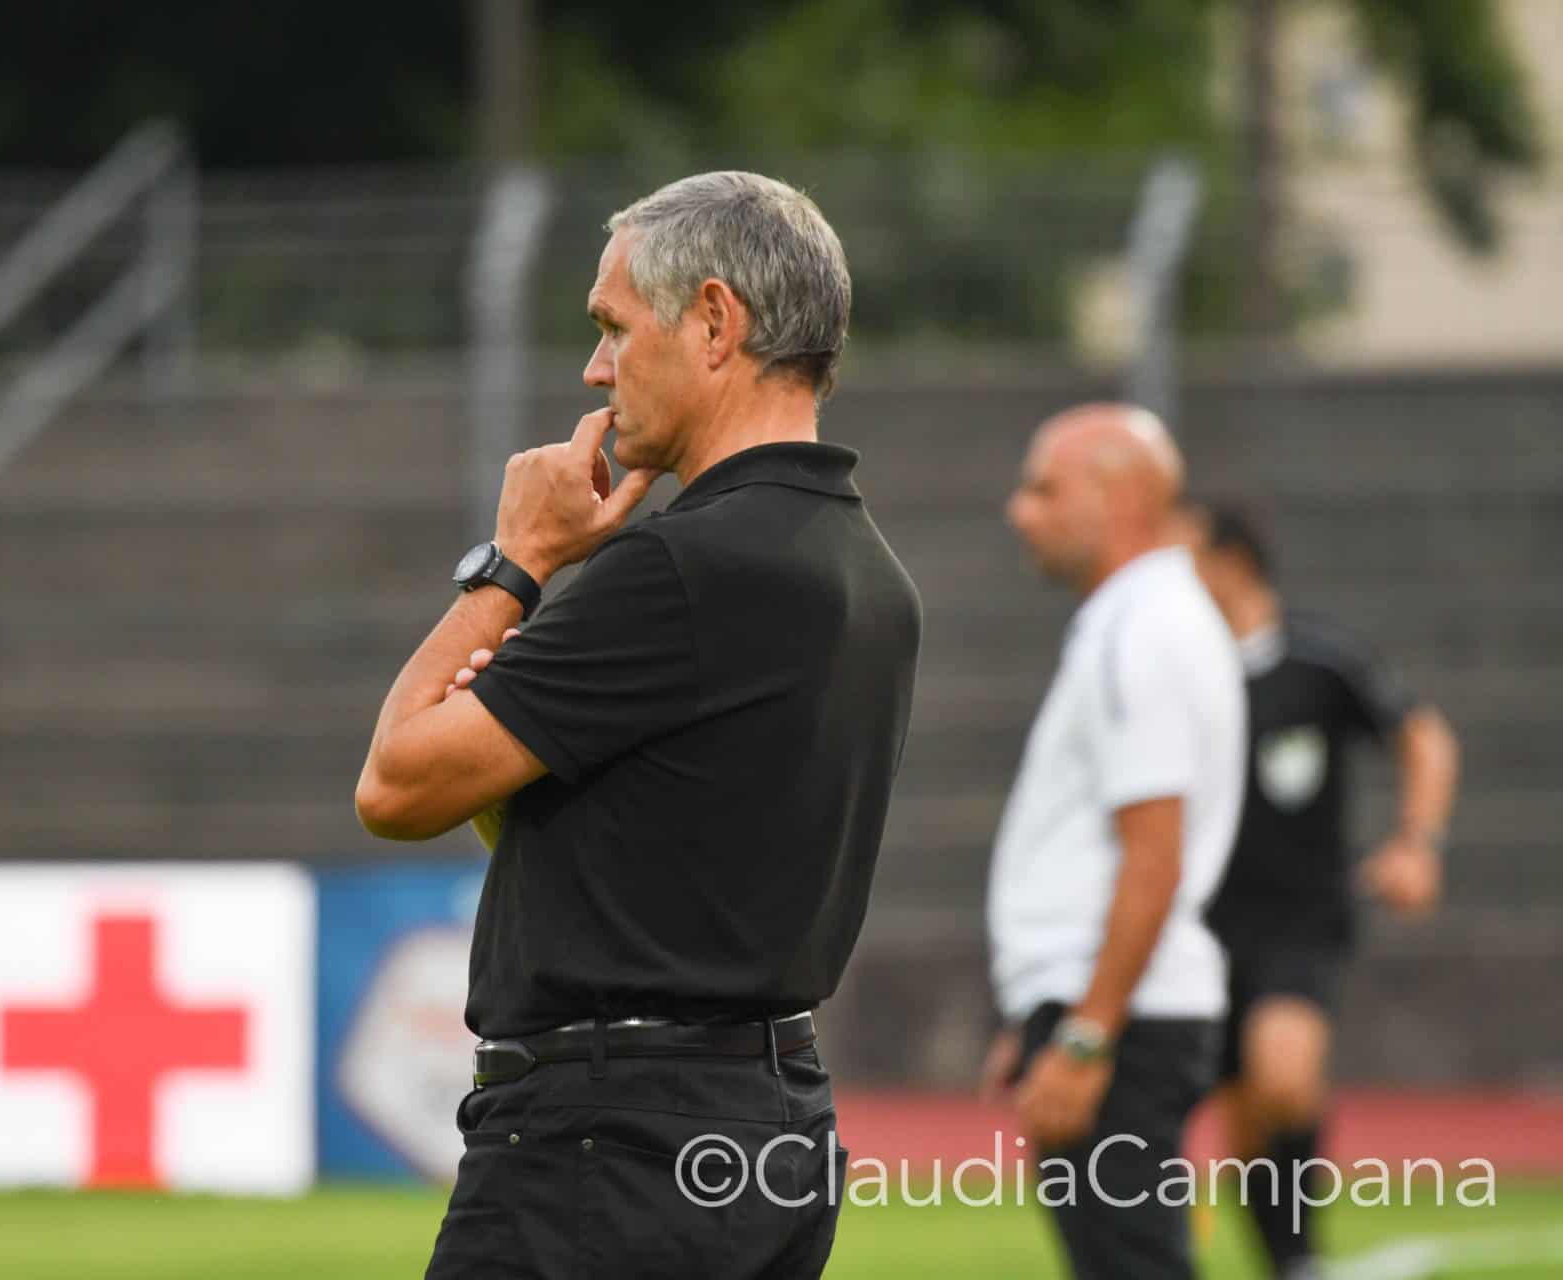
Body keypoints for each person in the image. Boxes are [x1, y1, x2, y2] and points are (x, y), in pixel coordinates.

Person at [355, 171, 922, 1279]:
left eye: (614, 326)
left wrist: (518, 560)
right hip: (771, 1121)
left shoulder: (680, 568)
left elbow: (397, 784)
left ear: (713, 322)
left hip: (608, 1142)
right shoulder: (868, 571)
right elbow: (641, 851)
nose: (595, 369)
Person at [980, 404, 1246, 1280]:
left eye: (1044, 488)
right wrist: (1046, 1005)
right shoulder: (1139, 620)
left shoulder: (1144, 631)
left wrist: (1087, 1033)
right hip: (1107, 1003)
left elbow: (1154, 853)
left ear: (1120, 496)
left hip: (1123, 1021)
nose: (1021, 510)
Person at [1177, 501, 1461, 1280]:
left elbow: (1423, 736)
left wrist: (1418, 843)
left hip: (1300, 916)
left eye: (1183, 556)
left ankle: (1298, 1259)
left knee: (1284, 1074)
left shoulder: (1319, 660)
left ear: (1231, 563)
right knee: (1241, 1117)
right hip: (1203, 924)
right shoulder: (1181, 670)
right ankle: (1286, 1259)